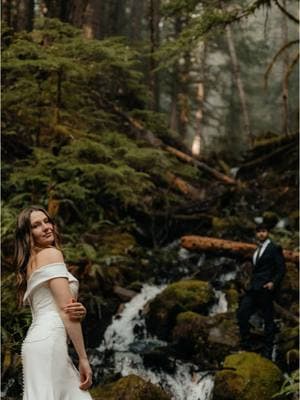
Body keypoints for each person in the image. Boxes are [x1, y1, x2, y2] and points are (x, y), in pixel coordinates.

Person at [15, 205, 93, 399]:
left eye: (47, 221)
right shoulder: (51, 254)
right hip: (49, 343)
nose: (46, 227)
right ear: (28, 233)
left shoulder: (31, 262)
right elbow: (66, 310)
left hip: (38, 342)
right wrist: (83, 358)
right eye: (36, 225)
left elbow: (56, 305)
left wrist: (79, 310)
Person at [237, 223, 286, 359]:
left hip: (266, 289)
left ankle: (268, 353)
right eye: (258, 232)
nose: (261, 234)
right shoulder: (257, 250)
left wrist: (273, 283)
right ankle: (246, 344)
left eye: (263, 231)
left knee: (268, 319)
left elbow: (281, 269)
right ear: (256, 234)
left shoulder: (274, 248)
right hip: (253, 289)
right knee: (242, 313)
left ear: (268, 232)